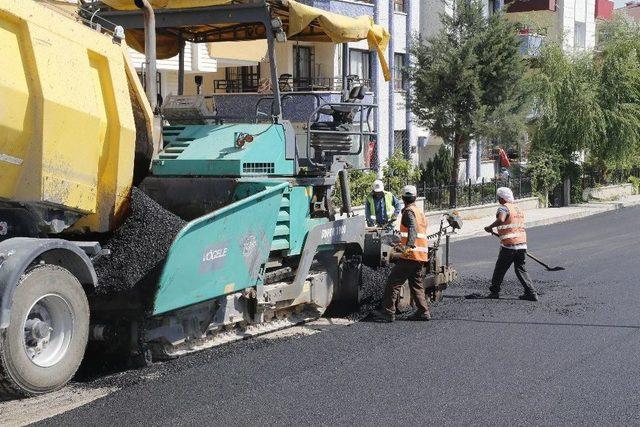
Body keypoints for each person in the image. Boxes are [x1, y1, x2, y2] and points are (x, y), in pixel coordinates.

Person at [372, 185, 431, 322]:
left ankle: (388, 312)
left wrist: (408, 245)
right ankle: (423, 311)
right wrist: (402, 244)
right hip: (420, 255)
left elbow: (412, 228)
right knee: (416, 285)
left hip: (411, 255)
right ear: (415, 197)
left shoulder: (409, 212)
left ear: (403, 198)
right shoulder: (418, 211)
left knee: (393, 282)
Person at [483, 187, 539, 301]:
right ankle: (531, 293)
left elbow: (502, 219)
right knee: (520, 269)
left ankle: (494, 292)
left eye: (499, 197)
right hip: (522, 243)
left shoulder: (503, 208)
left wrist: (490, 227)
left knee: (500, 268)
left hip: (509, 246)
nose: (498, 199)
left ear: (503, 198)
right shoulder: (518, 209)